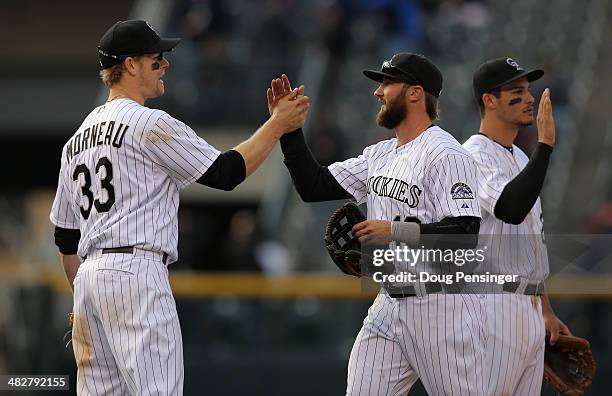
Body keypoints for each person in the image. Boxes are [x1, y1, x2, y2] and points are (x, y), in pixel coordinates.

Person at [49, 20, 309, 395]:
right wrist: (277, 124)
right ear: (131, 64)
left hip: (88, 279)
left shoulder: (75, 141)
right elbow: (226, 172)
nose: (165, 64)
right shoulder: (146, 122)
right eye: (157, 57)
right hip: (136, 272)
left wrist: (82, 296)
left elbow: (65, 237)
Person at [268, 53, 487, 395]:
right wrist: (290, 130)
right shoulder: (380, 154)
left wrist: (393, 231)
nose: (377, 92)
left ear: (415, 93)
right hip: (389, 303)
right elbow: (314, 186)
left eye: (387, 83)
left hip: (441, 308)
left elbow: (465, 235)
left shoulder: (447, 154)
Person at [463, 57, 571, 395]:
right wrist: (546, 146)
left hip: (526, 308)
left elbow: (533, 241)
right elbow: (510, 207)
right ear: (489, 100)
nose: (529, 98)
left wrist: (546, 309)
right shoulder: (471, 155)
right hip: (491, 306)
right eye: (517, 91)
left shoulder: (522, 160)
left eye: (528, 90)